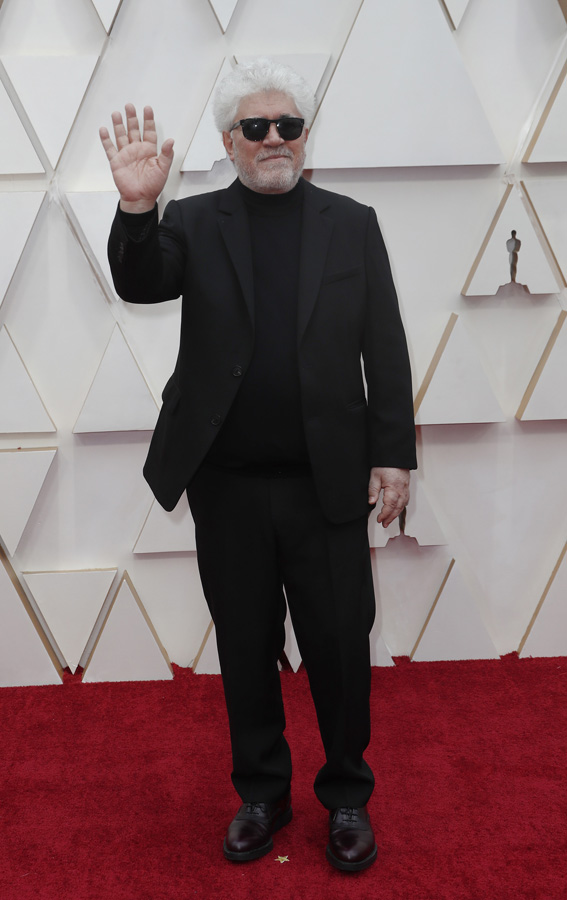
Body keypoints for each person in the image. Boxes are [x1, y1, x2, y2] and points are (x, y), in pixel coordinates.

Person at [100, 58, 417, 873]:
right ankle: (262, 794)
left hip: (327, 484)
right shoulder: (196, 222)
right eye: (255, 127)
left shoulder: (352, 222)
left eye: (288, 126)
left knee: (342, 647)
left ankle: (346, 797)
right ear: (228, 142)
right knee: (245, 645)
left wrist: (393, 456)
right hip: (228, 485)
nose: (273, 139)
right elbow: (143, 283)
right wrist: (138, 210)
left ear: (306, 138)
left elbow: (383, 343)